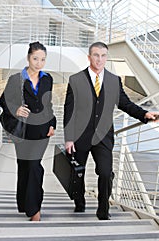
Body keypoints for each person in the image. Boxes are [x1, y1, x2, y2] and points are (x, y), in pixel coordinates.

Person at [64, 41, 159, 220]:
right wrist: (69, 138)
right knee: (78, 173)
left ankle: (103, 209)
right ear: (89, 57)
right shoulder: (76, 80)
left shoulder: (114, 80)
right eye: (96, 55)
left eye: (103, 56)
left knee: (106, 172)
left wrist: (144, 114)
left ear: (106, 57)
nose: (99, 59)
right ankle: (79, 202)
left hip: (103, 137)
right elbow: (69, 110)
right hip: (80, 136)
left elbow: (125, 103)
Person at [0, 41, 56, 221]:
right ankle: (24, 203)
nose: (39, 63)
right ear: (28, 58)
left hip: (42, 132)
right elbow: (3, 101)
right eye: (35, 58)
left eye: (42, 60)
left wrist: (52, 123)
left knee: (33, 165)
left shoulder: (48, 79)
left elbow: (48, 105)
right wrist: (15, 109)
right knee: (24, 166)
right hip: (22, 132)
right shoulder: (16, 79)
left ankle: (34, 210)